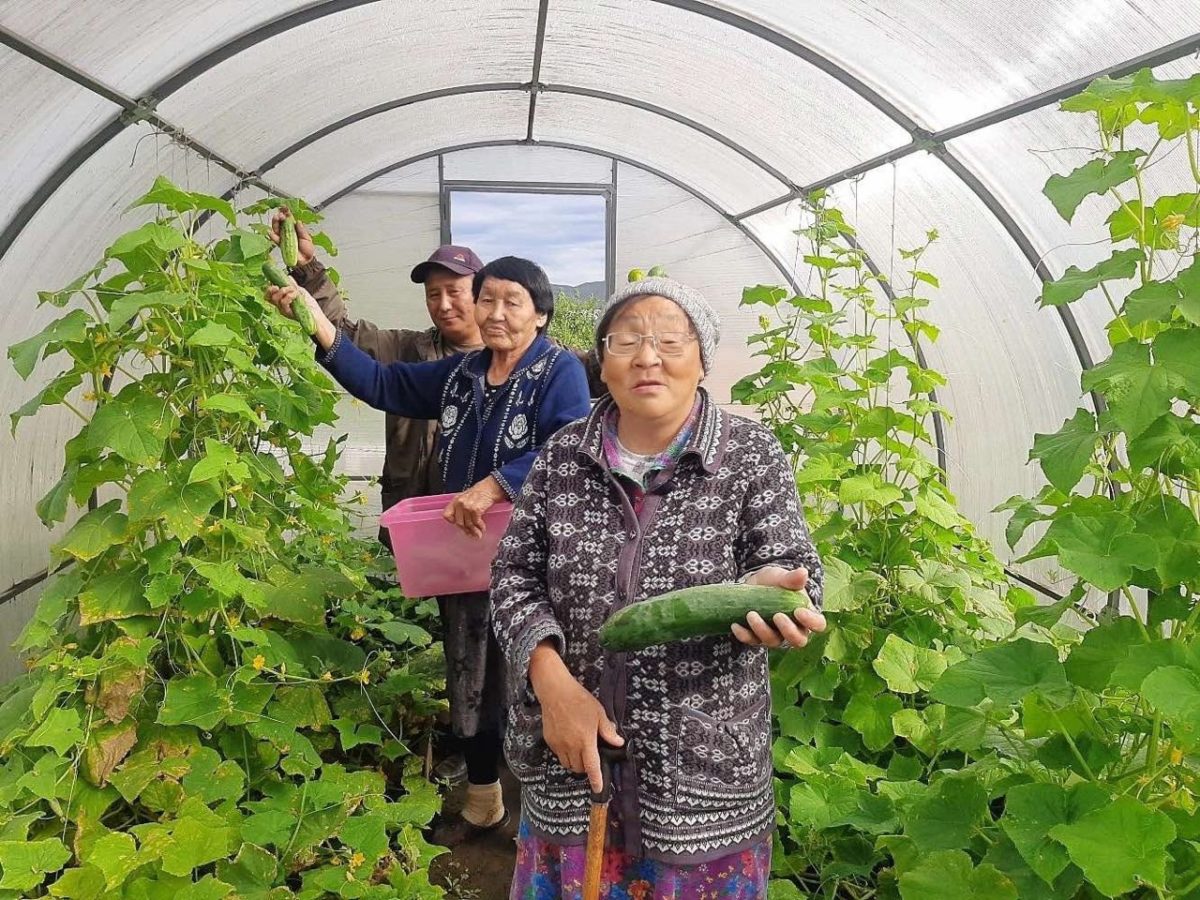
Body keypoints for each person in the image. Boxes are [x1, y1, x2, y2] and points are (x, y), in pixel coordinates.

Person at [490, 275, 827, 896]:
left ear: (703, 359)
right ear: (603, 362)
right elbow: (513, 576)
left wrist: (775, 592)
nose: (648, 357)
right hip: (570, 771)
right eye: (627, 341)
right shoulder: (562, 456)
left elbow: (793, 564)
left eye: (671, 341)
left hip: (703, 787)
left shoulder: (751, 455)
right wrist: (551, 681)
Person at [265, 255, 592, 845]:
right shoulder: (462, 373)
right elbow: (383, 384)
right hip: (463, 556)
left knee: (535, 673)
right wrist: (320, 326)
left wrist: (495, 483)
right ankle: (485, 802)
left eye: (511, 302)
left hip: (534, 559)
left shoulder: (557, 371)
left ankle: (554, 818)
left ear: (541, 315)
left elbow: (568, 444)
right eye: (486, 299)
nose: (493, 312)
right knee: (469, 675)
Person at [269, 209, 484, 548]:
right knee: (440, 601)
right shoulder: (408, 349)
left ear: (481, 293)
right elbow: (341, 335)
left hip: (488, 524)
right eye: (432, 294)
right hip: (421, 524)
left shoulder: (519, 358)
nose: (443, 304)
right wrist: (307, 270)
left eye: (454, 291)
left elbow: (585, 370)